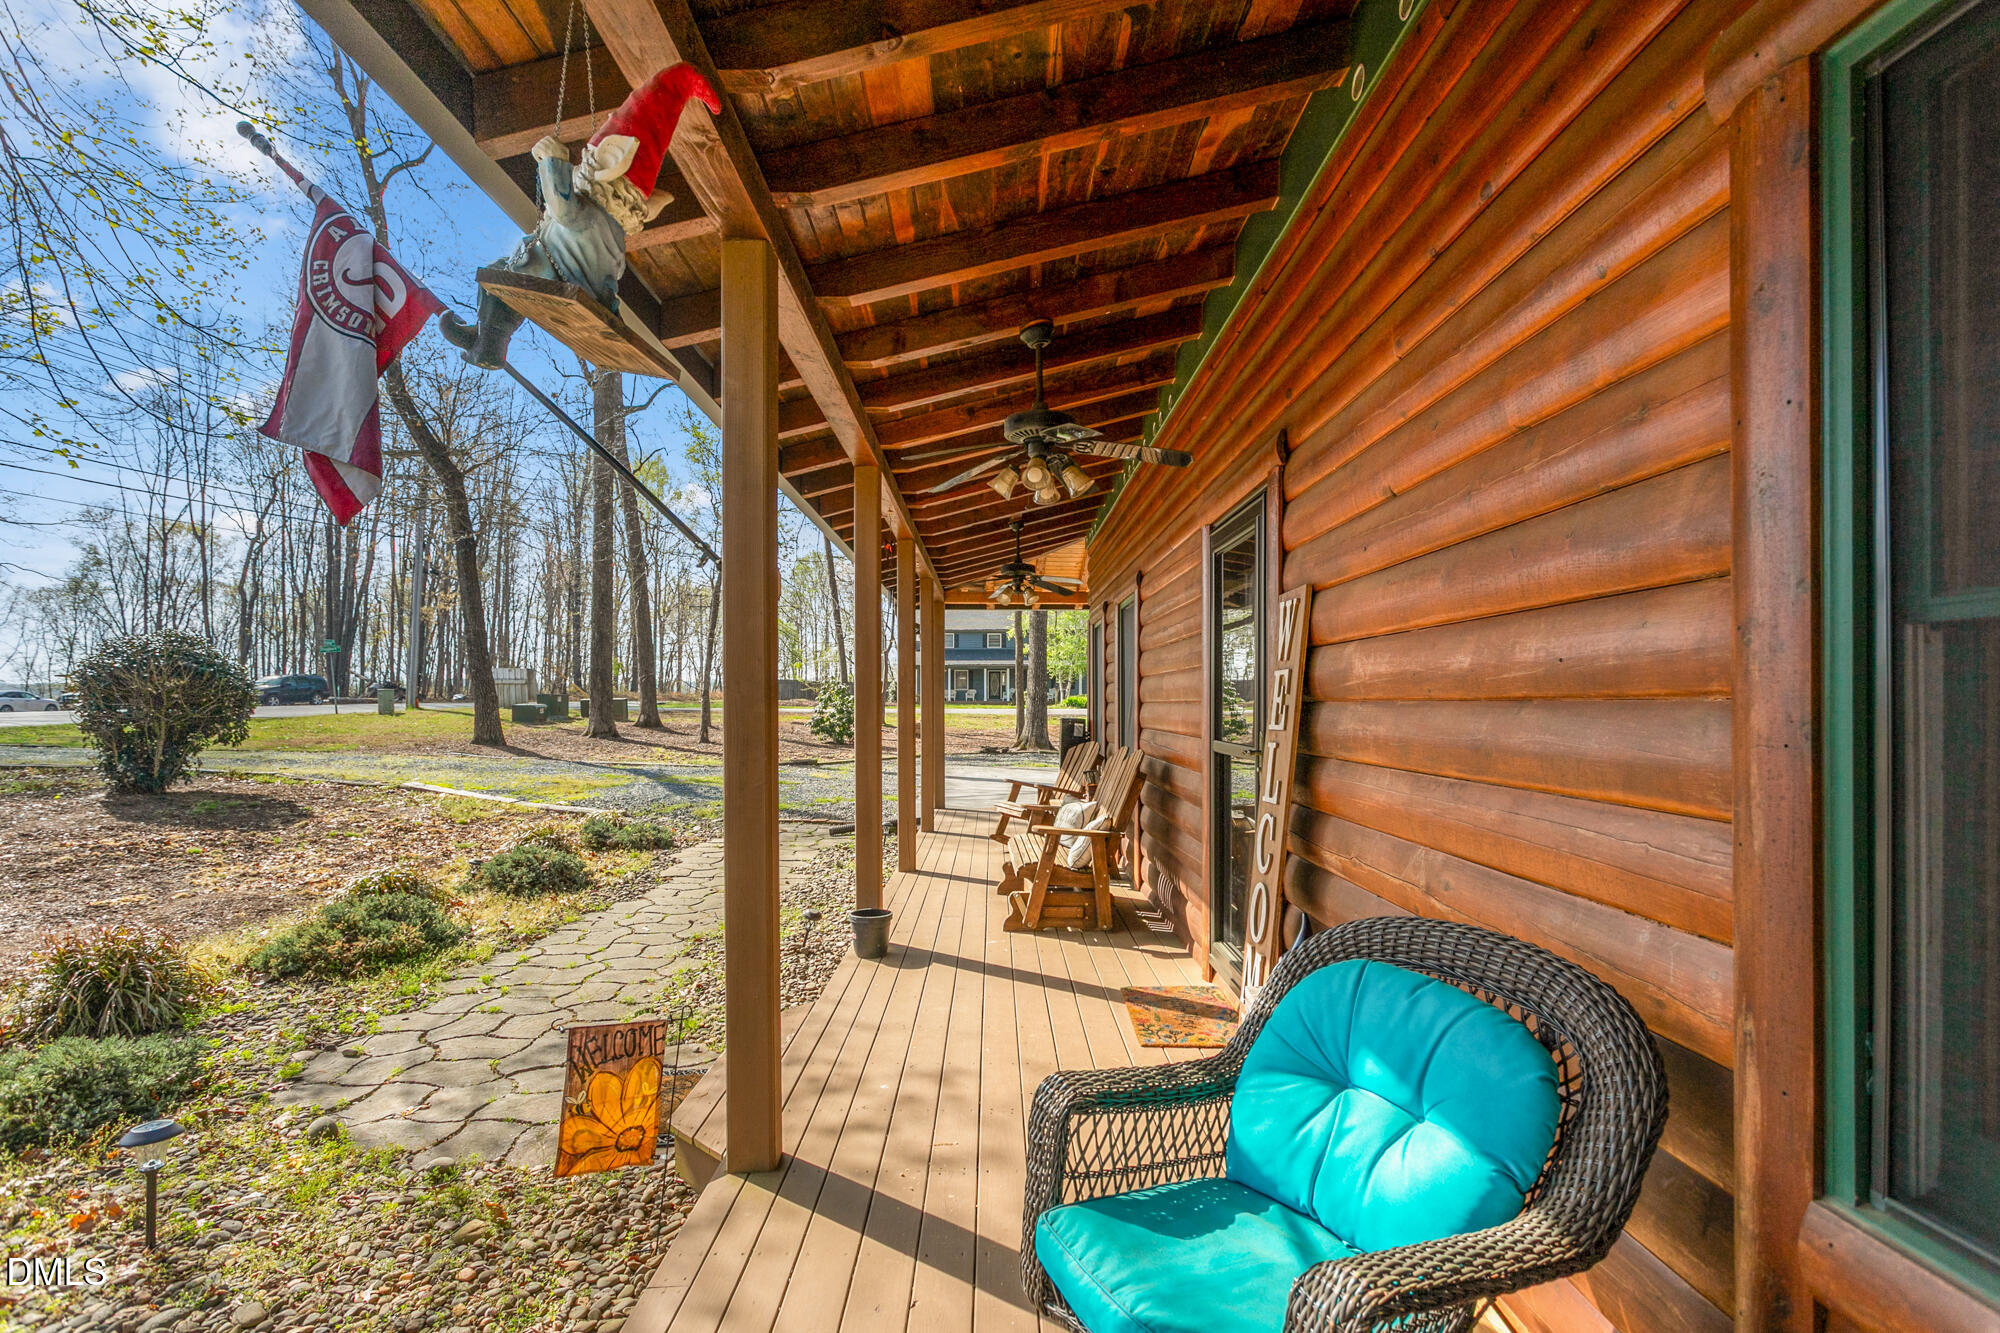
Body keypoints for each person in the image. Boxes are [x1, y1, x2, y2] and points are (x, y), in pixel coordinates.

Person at [440, 62, 721, 369]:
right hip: (577, 284)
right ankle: (485, 338)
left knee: (498, 277)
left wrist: (554, 162)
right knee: (500, 280)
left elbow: (563, 208)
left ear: (605, 168)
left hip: (555, 276)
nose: (581, 169)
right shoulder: (611, 233)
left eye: (587, 164)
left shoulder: (590, 218)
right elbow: (575, 231)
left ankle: (489, 341)